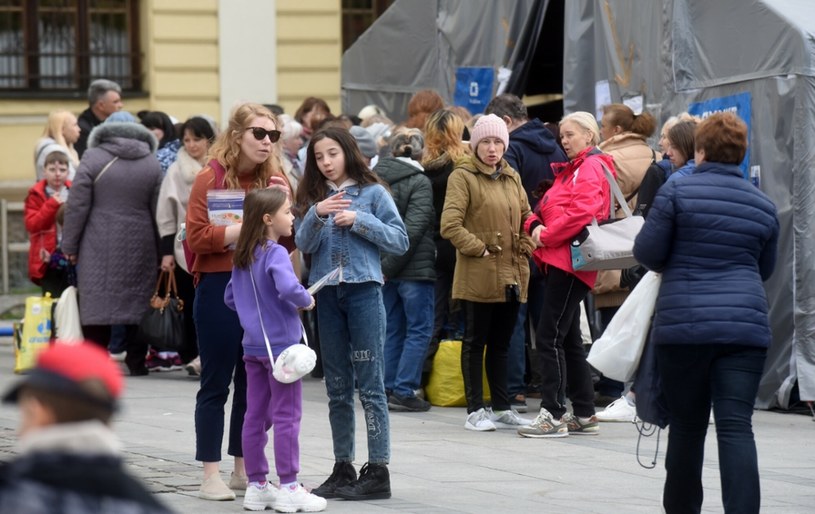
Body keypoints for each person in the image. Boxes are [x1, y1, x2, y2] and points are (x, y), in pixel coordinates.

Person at [633, 112, 779, 513]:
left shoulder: (678, 194)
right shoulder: (763, 205)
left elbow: (647, 253)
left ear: (699, 150)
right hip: (745, 331)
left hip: (685, 329)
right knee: (736, 428)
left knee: (687, 427)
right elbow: (764, 269)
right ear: (740, 153)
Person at [185, 102, 292, 501]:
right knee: (216, 381)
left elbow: (289, 240)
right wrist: (248, 227)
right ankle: (209, 473)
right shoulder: (209, 179)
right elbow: (197, 238)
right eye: (259, 133)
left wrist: (287, 211)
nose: (267, 142)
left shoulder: (275, 181)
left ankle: (243, 468)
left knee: (256, 384)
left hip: (262, 287)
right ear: (237, 136)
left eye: (273, 135)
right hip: (218, 284)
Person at [295, 126, 408, 501]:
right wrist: (317, 213)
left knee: (371, 385)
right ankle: (343, 466)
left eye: (332, 154)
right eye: (318, 157)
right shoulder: (315, 198)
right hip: (327, 297)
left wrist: (358, 220)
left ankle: (378, 469)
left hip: (364, 293)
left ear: (347, 152)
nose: (326, 163)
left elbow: (399, 239)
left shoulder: (374, 193)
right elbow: (303, 243)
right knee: (337, 387)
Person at [224, 188, 326, 513]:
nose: (292, 216)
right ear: (268, 219)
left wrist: (253, 314)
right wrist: (305, 298)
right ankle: (290, 486)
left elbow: (230, 298)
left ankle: (257, 484)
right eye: (287, 212)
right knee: (287, 417)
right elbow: (286, 287)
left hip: (253, 346)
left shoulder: (243, 253)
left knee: (253, 415)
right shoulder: (276, 252)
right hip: (282, 349)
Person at [517, 111, 614, 438]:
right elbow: (547, 208)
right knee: (568, 338)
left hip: (568, 259)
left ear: (589, 135)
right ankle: (584, 412)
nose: (565, 141)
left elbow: (582, 212)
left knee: (549, 335)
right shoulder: (575, 169)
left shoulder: (588, 167)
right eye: (563, 137)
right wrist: (535, 223)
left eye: (571, 135)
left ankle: (553, 413)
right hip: (565, 258)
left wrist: (545, 234)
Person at [440, 113, 534, 432]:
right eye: (485, 142)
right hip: (479, 273)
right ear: (475, 145)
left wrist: (528, 241)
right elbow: (450, 225)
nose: (492, 149)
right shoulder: (462, 176)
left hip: (511, 273)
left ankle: (502, 405)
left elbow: (526, 215)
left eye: (497, 142)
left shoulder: (511, 176)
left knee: (502, 343)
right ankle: (475, 409)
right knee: (475, 341)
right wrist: (479, 248)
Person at [0, 343, 173, 514]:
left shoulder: (14, 491)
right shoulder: (146, 503)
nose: (18, 431)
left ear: (38, 410)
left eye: (25, 415)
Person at [485, 93, 569, 413]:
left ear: (506, 122)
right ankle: (555, 392)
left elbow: (510, 199)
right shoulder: (556, 145)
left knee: (514, 320)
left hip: (520, 243)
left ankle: (514, 390)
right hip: (551, 242)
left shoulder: (513, 149)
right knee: (549, 325)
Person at [61, 114, 162, 375]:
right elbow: (158, 210)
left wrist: (69, 246)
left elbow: (77, 206)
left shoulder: (93, 157)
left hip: (97, 239)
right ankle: (137, 362)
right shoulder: (151, 162)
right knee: (138, 300)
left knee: (96, 301)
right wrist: (163, 249)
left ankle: (94, 361)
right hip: (142, 240)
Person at [592, 104, 658, 405]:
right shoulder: (653, 154)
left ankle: (609, 385)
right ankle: (633, 385)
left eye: (603, 125)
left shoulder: (610, 158)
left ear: (617, 130)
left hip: (617, 241)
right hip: (646, 243)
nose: (600, 130)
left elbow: (601, 202)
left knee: (611, 316)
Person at [373, 127, 435, 412]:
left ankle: (385, 385)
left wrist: (384, 267)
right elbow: (414, 228)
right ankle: (405, 386)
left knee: (392, 328)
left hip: (384, 267)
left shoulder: (376, 179)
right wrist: (391, 265)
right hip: (414, 269)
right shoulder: (420, 181)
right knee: (419, 328)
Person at [155, 116, 216, 373]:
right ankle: (193, 355)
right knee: (190, 304)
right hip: (185, 245)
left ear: (208, 140)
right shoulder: (175, 170)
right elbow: (166, 214)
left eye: (197, 139)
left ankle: (212, 355)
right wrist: (166, 252)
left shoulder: (219, 167)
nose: (191, 145)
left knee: (216, 302)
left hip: (217, 241)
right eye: (187, 140)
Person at [421, 109, 469, 370]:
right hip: (461, 244)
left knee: (434, 314)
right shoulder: (465, 166)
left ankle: (423, 376)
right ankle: (463, 375)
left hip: (434, 246)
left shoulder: (423, 168)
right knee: (465, 312)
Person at [24, 151, 72, 297]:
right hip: (48, 258)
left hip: (71, 255)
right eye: (52, 170)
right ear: (44, 172)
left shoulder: (75, 191)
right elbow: (32, 224)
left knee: (71, 300)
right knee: (51, 300)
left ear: (68, 172)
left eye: (62, 170)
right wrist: (51, 205)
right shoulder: (36, 194)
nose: (57, 174)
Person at [75, 79, 123, 158]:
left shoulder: (117, 123)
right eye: (116, 102)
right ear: (101, 105)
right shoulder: (83, 131)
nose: (121, 105)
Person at [34, 109, 80, 181]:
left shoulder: (48, 147)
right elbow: (71, 180)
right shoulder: (55, 152)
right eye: (75, 125)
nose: (79, 129)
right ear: (62, 129)